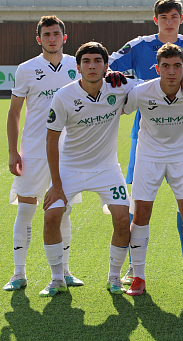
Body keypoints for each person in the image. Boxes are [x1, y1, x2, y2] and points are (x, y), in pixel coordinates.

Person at [109, 0, 183, 283]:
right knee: (140, 206)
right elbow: (108, 65)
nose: (169, 22)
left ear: (182, 19)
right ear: (155, 19)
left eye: (174, 17)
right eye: (164, 17)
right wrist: (119, 77)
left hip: (180, 135)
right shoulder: (139, 45)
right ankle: (134, 268)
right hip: (145, 135)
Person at [40, 42, 139, 297]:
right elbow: (51, 140)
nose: (92, 66)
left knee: (123, 219)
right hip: (70, 168)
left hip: (107, 168)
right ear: (78, 67)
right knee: (51, 216)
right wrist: (56, 185)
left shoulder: (119, 86)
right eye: (86, 61)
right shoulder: (64, 96)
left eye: (97, 61)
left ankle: (114, 278)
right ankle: (57, 278)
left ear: (106, 66)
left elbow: (154, 86)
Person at [123, 43, 183, 296]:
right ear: (157, 68)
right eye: (166, 66)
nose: (171, 72)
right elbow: (120, 105)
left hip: (181, 157)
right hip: (148, 157)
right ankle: (138, 277)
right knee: (141, 214)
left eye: (177, 66)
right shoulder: (141, 92)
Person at [3, 15, 83, 291]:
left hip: (67, 153)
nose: (52, 39)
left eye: (56, 34)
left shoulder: (76, 65)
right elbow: (14, 112)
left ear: (64, 37)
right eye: (47, 34)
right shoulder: (26, 69)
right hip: (34, 151)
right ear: (39, 39)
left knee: (63, 212)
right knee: (26, 209)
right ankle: (18, 274)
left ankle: (65, 271)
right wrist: (13, 152)